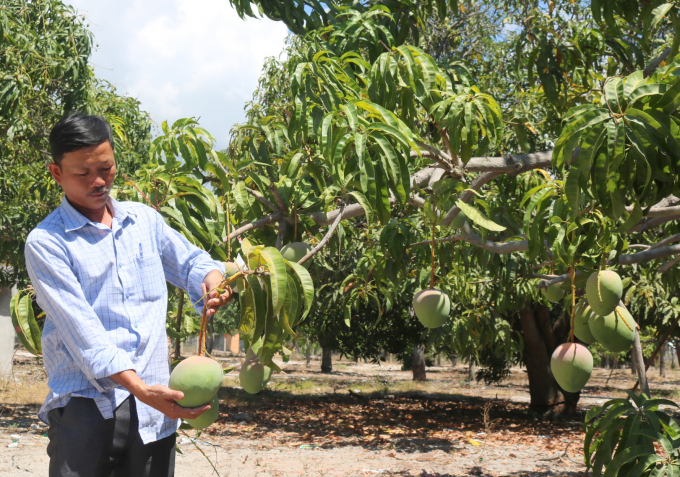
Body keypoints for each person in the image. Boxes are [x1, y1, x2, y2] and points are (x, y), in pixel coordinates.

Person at [24, 112, 233, 477]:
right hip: (87, 405)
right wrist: (139, 389)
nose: (99, 181)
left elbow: (192, 263)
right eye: (83, 173)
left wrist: (213, 280)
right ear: (56, 173)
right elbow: (85, 336)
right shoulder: (47, 243)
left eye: (106, 167)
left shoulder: (143, 220)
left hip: (155, 406)